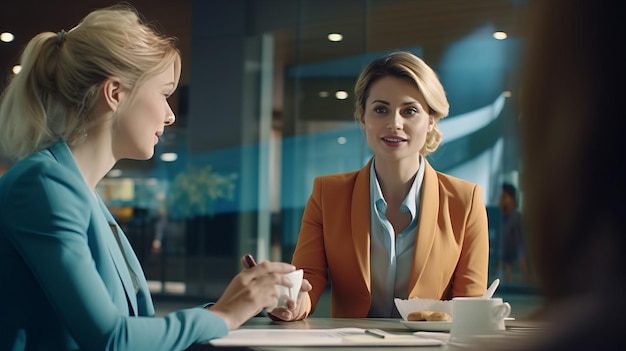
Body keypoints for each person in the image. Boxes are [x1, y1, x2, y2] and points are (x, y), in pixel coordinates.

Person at [0, 4, 297, 350]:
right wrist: (226, 315)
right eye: (163, 93)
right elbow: (113, 339)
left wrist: (247, 303)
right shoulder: (42, 185)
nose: (170, 115)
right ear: (115, 94)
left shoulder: (80, 192)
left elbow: (133, 328)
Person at [270, 51, 489, 321]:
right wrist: (293, 302)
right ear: (362, 117)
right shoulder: (327, 194)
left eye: (409, 111)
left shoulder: (465, 200)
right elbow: (309, 279)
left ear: (431, 119)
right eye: (380, 109)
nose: (394, 123)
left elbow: (470, 303)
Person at [496, 182, 530, 283]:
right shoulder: (503, 219)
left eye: (504, 196)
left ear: (512, 199)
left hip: (516, 263)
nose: (501, 200)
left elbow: (520, 244)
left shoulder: (515, 218)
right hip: (508, 260)